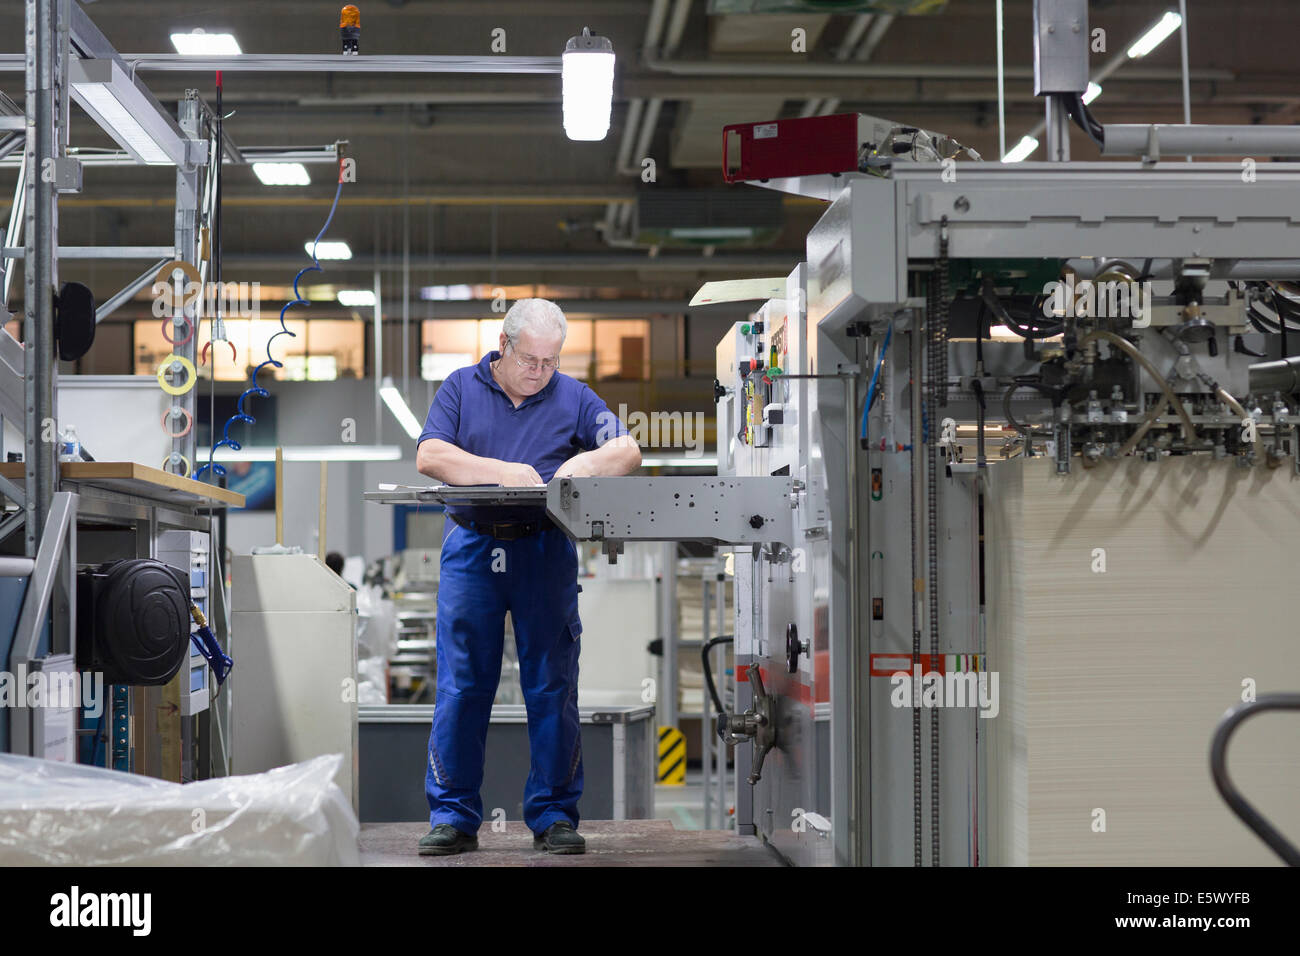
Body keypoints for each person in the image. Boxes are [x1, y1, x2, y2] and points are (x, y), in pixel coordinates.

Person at [414, 299, 640, 855]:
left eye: (552, 361)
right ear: (504, 346)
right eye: (531, 360)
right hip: (473, 549)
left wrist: (583, 466)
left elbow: (627, 448)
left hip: (544, 551)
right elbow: (431, 456)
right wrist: (504, 473)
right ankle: (454, 815)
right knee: (463, 686)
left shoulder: (575, 396)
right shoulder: (461, 388)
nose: (541, 372)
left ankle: (554, 813)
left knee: (552, 687)